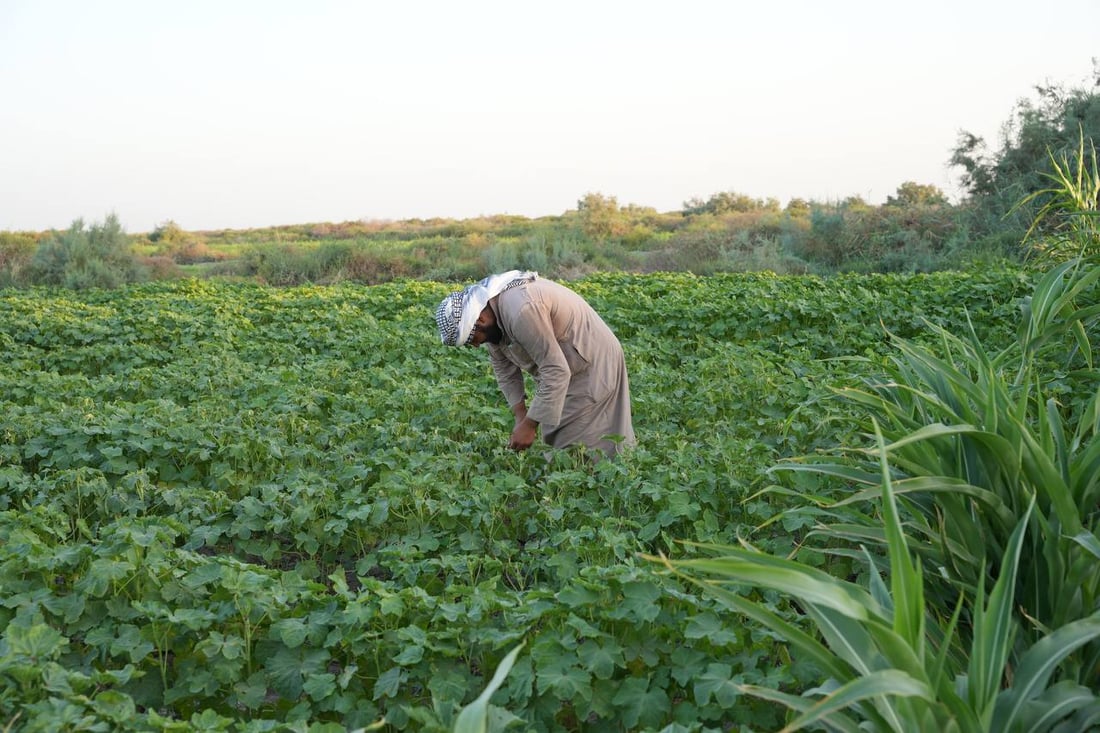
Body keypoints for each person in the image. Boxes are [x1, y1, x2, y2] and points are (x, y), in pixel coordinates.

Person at [435, 270, 635, 458]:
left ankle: (604, 484)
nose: (477, 345)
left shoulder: (522, 310)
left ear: (480, 319)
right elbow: (504, 370)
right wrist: (521, 416)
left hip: (592, 361)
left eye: (473, 339)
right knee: (558, 440)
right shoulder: (493, 318)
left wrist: (529, 425)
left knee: (576, 445)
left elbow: (556, 370)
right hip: (568, 365)